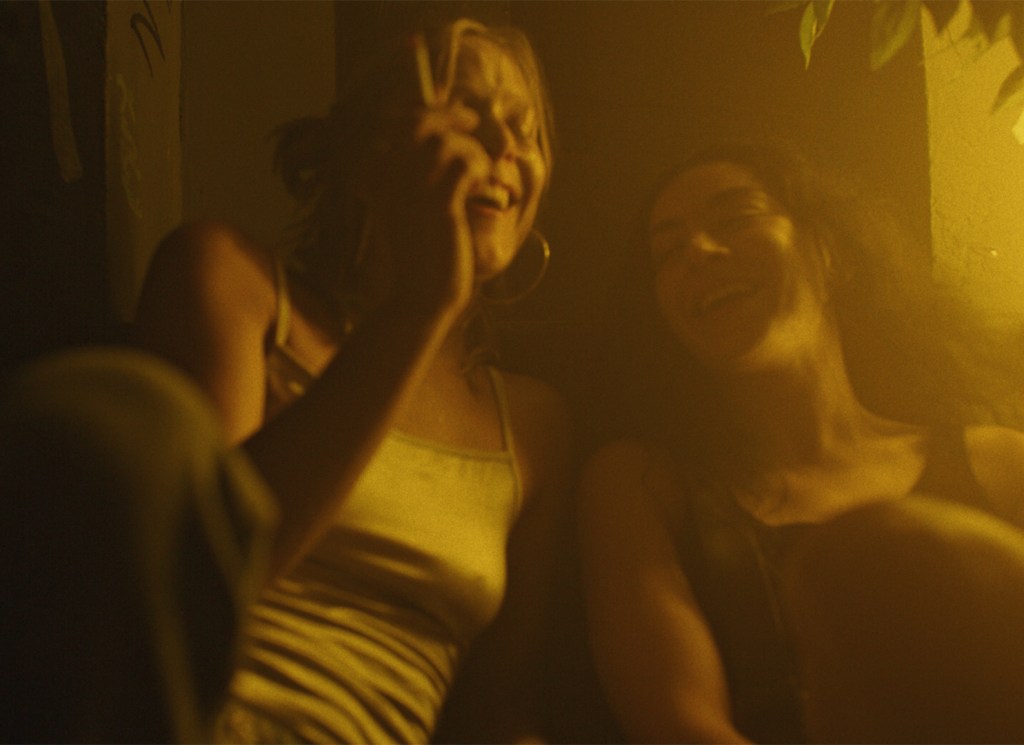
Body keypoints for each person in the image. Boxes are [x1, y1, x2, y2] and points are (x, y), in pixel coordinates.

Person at [132, 17, 571, 744]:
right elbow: (198, 580)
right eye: (468, 108)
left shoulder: (532, 423)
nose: (503, 144)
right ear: (371, 149)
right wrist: (420, 306)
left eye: (526, 129)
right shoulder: (232, 284)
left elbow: (496, 707)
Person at [578, 142, 1024, 743]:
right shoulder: (641, 484)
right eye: (668, 250)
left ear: (832, 250)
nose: (698, 250)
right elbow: (681, 726)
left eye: (736, 217)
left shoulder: (1000, 464)